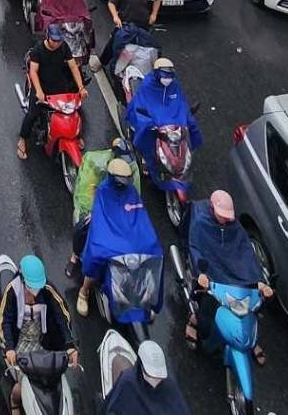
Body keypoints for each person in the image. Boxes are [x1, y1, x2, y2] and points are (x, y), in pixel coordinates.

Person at [185, 190, 270, 361]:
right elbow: (195, 249)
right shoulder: (201, 225)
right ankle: (195, 321)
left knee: (253, 303)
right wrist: (201, 273)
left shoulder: (236, 229)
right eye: (222, 215)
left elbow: (247, 254)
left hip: (235, 275)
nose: (225, 219)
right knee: (208, 304)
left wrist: (259, 281)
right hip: (213, 276)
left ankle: (249, 337)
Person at [76, 155, 155, 316]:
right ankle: (84, 291)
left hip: (124, 237)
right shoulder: (104, 191)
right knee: (96, 260)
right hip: (107, 237)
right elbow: (100, 219)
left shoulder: (131, 191)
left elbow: (138, 214)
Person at [0, 253, 80, 398]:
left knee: (53, 375)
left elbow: (62, 315)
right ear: (22, 279)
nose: (35, 291)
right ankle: (14, 400)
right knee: (23, 385)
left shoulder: (47, 289)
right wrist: (9, 348)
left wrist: (69, 345)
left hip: (41, 341)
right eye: (31, 287)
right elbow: (5, 321)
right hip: (19, 342)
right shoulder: (11, 291)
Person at [125, 58, 202, 199]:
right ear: (157, 74)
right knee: (144, 134)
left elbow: (179, 103)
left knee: (192, 125)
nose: (167, 79)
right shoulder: (148, 86)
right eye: (164, 76)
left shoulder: (174, 85)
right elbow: (144, 105)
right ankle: (144, 158)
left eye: (169, 77)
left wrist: (185, 116)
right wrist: (151, 121)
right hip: (152, 120)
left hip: (169, 126)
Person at [17, 25, 85, 160]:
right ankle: (22, 140)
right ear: (48, 37)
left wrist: (81, 87)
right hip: (41, 87)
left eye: (59, 40)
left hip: (59, 85)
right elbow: (33, 72)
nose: (57, 43)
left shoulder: (64, 47)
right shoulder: (38, 50)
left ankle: (75, 135)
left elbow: (73, 66)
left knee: (72, 111)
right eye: (55, 40)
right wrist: (39, 92)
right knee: (32, 114)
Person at [103, 341, 191, 415]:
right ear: (140, 367)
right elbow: (113, 409)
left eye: (159, 376)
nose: (155, 381)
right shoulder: (127, 383)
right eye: (150, 375)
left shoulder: (170, 387)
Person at [101, 0, 161, 66]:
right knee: (113, 44)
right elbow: (111, 3)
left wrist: (153, 15)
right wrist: (115, 16)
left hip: (143, 25)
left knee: (148, 46)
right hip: (125, 24)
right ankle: (102, 62)